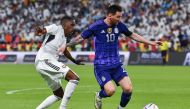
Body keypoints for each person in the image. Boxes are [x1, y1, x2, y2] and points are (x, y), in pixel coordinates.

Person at [67, 5, 162, 109]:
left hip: (116, 65)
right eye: (118, 16)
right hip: (101, 66)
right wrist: (65, 45)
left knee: (128, 89)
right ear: (109, 15)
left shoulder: (119, 25)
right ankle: (99, 95)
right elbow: (80, 38)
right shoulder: (97, 26)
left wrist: (151, 43)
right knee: (110, 91)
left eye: (120, 16)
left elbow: (133, 35)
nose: (119, 19)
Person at [34, 16, 84, 109]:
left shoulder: (64, 38)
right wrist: (40, 31)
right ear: (65, 25)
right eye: (71, 25)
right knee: (74, 78)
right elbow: (44, 30)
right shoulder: (56, 28)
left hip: (43, 63)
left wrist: (75, 61)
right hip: (45, 60)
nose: (73, 28)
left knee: (59, 94)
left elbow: (65, 51)